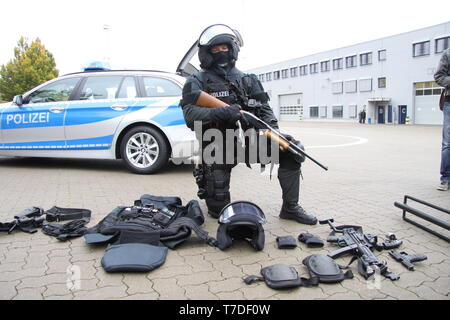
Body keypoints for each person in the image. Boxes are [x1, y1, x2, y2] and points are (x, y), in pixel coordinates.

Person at [180, 24, 317, 225]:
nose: (220, 52)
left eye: (224, 47)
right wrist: (225, 111)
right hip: (217, 146)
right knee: (218, 211)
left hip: (252, 140)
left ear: (232, 48)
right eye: (215, 49)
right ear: (206, 53)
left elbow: (265, 111)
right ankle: (215, 198)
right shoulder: (196, 80)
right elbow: (190, 114)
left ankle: (290, 208)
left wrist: (274, 133)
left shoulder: (248, 79)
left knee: (292, 150)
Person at [434, 48, 450, 191]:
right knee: (448, 143)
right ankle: (445, 178)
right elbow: (439, 76)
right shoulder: (448, 53)